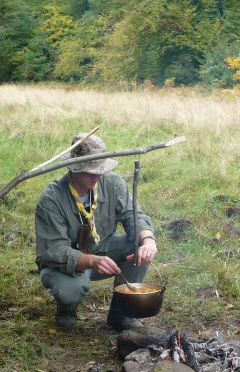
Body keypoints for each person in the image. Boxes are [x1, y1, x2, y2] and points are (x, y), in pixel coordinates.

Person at [35, 133, 157, 331]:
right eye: (90, 171)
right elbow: (53, 249)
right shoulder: (51, 199)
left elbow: (132, 216)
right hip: (64, 265)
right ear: (74, 168)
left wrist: (148, 240)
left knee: (139, 246)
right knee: (71, 289)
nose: (97, 176)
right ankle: (67, 307)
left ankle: (120, 314)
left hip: (104, 249)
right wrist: (91, 261)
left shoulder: (112, 183)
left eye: (100, 170)